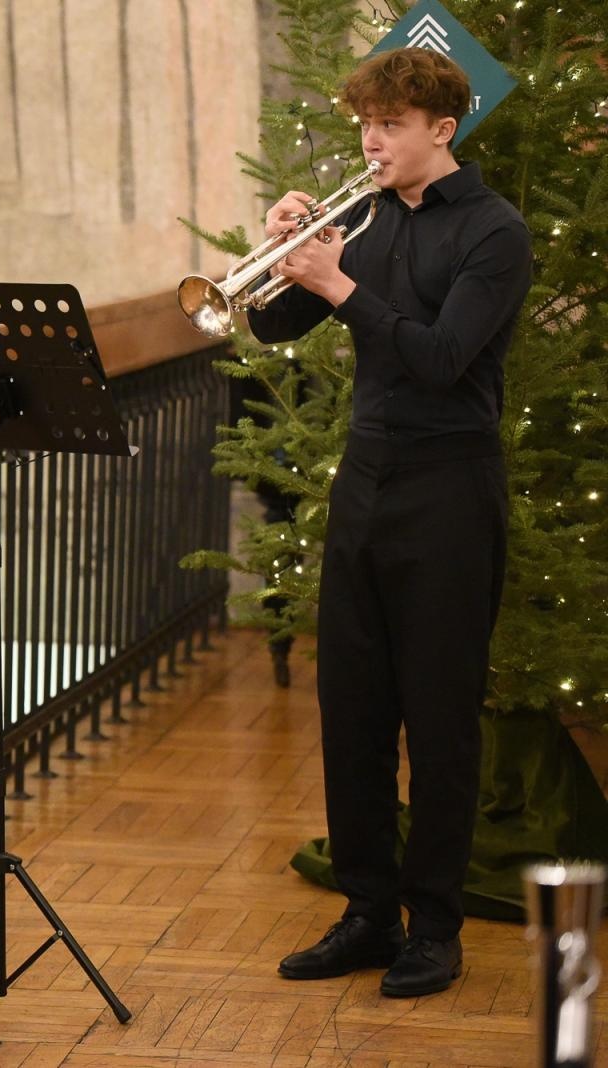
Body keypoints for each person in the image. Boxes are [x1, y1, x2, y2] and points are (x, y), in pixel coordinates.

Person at [247, 48, 531, 997]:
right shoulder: (363, 224)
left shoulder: (494, 232)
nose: (372, 141)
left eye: (392, 125)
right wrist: (284, 252)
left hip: (451, 488)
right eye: (367, 123)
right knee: (354, 710)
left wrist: (339, 285)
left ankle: (434, 928)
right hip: (365, 481)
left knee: (441, 719)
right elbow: (271, 329)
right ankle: (367, 913)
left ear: (442, 130)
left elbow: (444, 358)